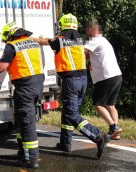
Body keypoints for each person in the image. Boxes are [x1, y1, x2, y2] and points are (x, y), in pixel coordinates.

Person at [34, 14, 111, 159]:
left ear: (62, 25)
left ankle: (98, 136)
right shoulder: (81, 39)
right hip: (83, 80)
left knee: (71, 114)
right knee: (69, 111)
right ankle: (65, 143)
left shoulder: (60, 40)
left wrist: (27, 38)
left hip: (71, 81)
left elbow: (41, 41)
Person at [0, 22, 44, 169]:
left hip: (25, 87)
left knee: (27, 122)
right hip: (37, 84)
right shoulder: (32, 42)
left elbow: (1, 68)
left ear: (9, 35)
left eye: (5, 39)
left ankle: (32, 158)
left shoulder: (12, 46)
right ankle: (23, 153)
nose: (5, 41)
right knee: (21, 120)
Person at [85, 19, 123, 140]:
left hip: (105, 77)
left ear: (92, 29)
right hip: (116, 75)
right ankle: (115, 131)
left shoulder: (94, 40)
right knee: (110, 104)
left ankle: (113, 127)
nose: (86, 33)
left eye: (87, 30)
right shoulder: (103, 40)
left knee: (98, 104)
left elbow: (81, 52)